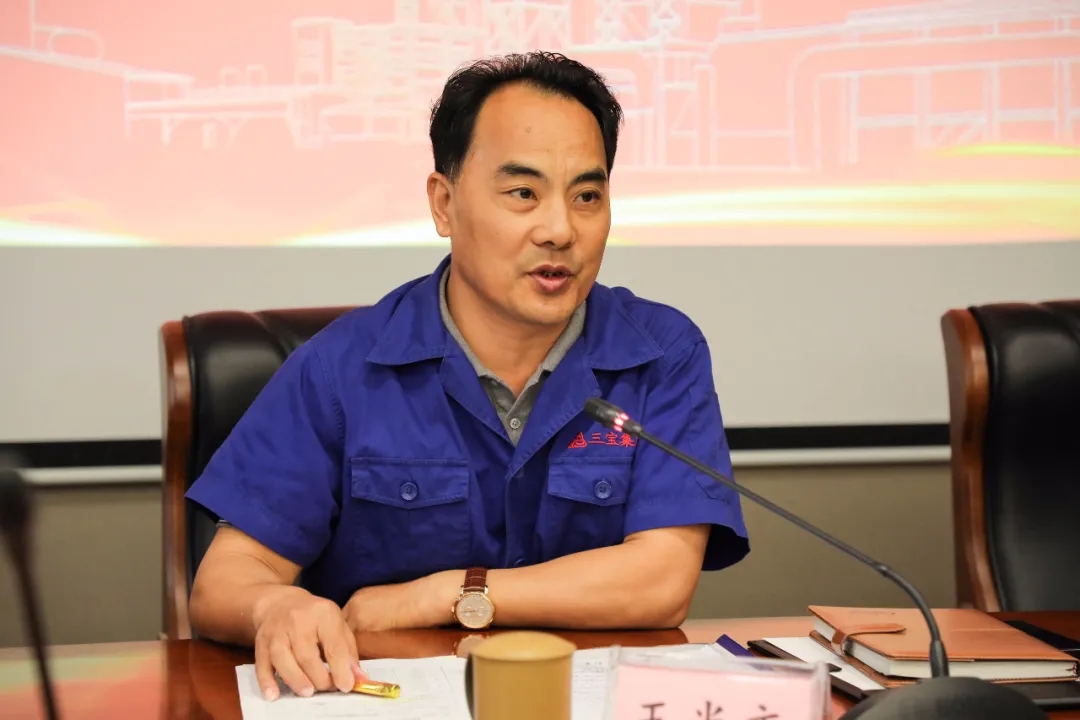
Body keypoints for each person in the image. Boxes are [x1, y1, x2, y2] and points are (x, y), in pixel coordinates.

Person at [185, 50, 749, 701]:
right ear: (444, 204)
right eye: (523, 194)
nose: (560, 230)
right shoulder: (342, 367)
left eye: (587, 197)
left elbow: (661, 581)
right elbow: (226, 579)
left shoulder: (660, 353)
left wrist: (450, 594)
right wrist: (274, 607)